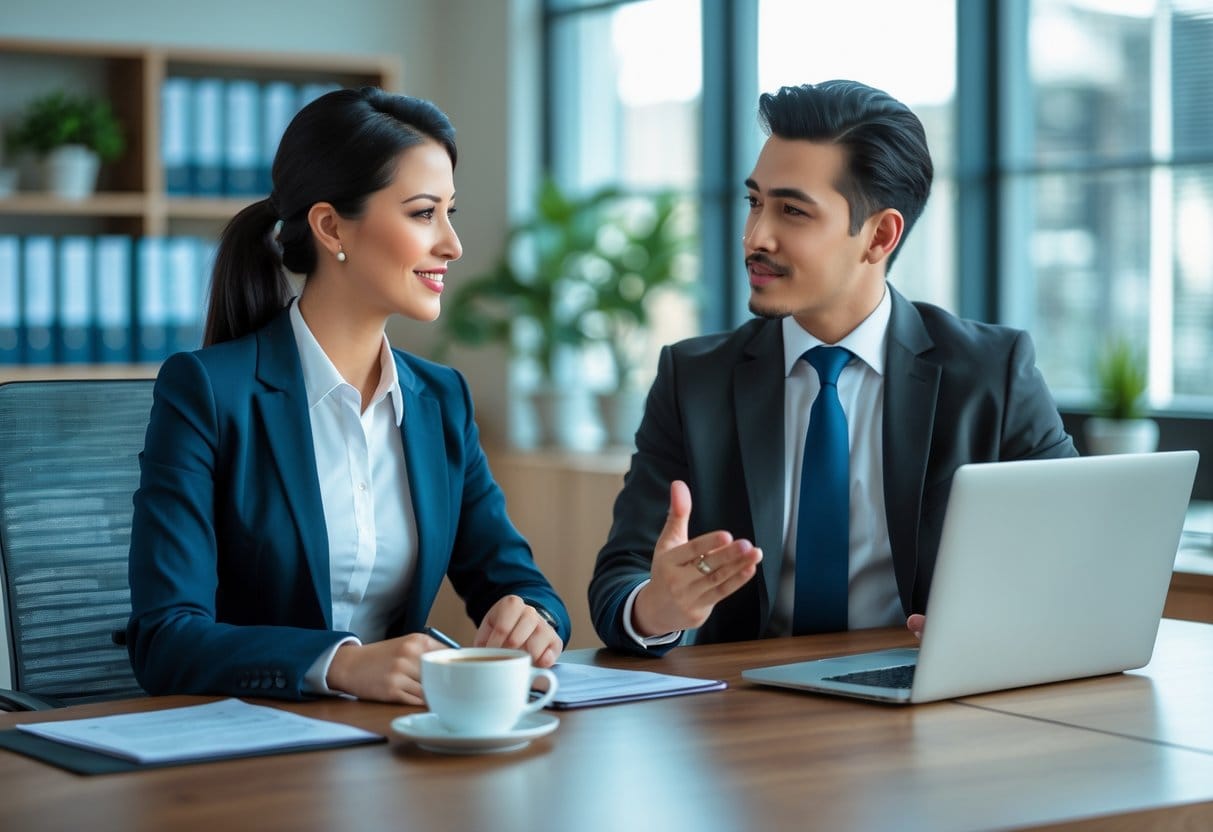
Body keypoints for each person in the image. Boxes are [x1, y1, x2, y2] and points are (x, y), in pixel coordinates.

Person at [588, 80, 1076, 655]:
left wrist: (996, 625)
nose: (754, 236)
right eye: (754, 202)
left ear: (879, 235)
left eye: (792, 210)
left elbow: (1073, 557)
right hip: (744, 717)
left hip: (928, 701)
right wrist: (656, 608)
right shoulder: (693, 379)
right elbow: (621, 578)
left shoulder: (993, 373)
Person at [127, 87, 570, 704]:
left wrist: (535, 619)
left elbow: (518, 582)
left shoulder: (441, 399)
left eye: (450, 213)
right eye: (422, 213)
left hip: (397, 746)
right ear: (332, 226)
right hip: (249, 760)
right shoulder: (205, 392)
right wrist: (339, 665)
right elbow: (166, 639)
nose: (452, 244)